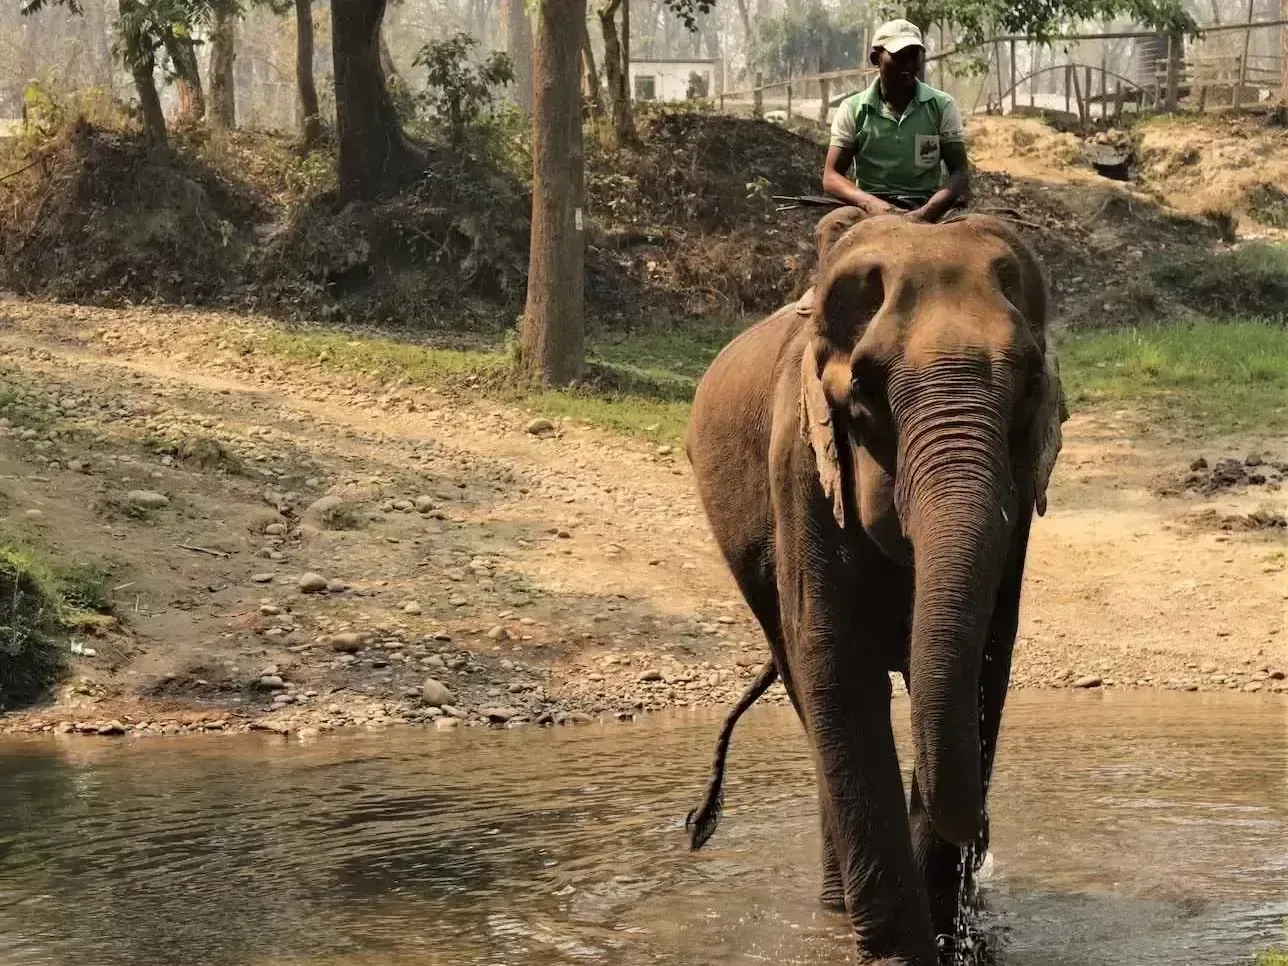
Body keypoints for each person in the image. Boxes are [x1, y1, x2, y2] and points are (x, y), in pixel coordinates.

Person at [822, 19, 969, 224]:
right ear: (876, 58)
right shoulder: (853, 109)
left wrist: (926, 212)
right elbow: (831, 176)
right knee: (830, 226)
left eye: (914, 55)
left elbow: (960, 172)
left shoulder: (942, 106)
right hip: (868, 209)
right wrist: (869, 203)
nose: (908, 64)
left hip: (928, 205)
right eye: (899, 56)